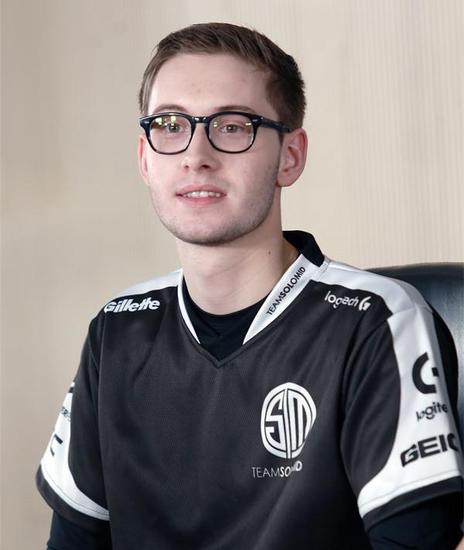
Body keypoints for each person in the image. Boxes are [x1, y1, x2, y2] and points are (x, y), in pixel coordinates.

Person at [37, 22, 463, 549]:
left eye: (233, 126)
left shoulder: (377, 321)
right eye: (170, 124)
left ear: (290, 156)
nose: (196, 154)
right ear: (145, 158)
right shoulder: (116, 331)